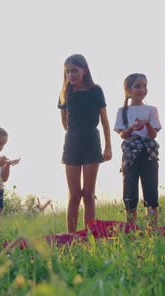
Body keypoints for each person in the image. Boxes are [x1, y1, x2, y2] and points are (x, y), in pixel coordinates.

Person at [58, 54, 112, 233]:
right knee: (74, 195)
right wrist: (73, 134)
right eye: (67, 72)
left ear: (84, 70)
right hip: (72, 144)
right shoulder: (65, 93)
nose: (71, 75)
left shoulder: (96, 90)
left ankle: (90, 234)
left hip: (92, 143)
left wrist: (108, 146)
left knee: (88, 193)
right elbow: (64, 122)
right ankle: (71, 236)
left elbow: (104, 120)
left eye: (74, 70)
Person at [114, 73, 161, 227]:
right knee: (130, 189)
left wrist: (146, 124)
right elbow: (122, 135)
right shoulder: (122, 111)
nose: (142, 89)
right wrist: (131, 128)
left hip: (148, 152)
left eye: (145, 86)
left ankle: (152, 226)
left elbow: (153, 134)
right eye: (138, 86)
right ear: (128, 90)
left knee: (151, 188)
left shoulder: (151, 110)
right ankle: (131, 227)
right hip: (130, 153)